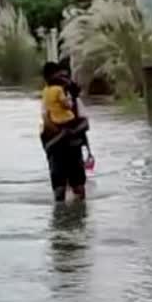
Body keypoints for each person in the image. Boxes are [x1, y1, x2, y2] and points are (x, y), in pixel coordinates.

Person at [40, 62, 89, 202]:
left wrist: (72, 132)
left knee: (77, 186)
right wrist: (62, 132)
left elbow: (84, 121)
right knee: (61, 187)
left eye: (64, 77)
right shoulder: (50, 96)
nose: (63, 80)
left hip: (69, 145)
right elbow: (46, 120)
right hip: (57, 146)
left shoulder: (71, 98)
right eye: (59, 76)